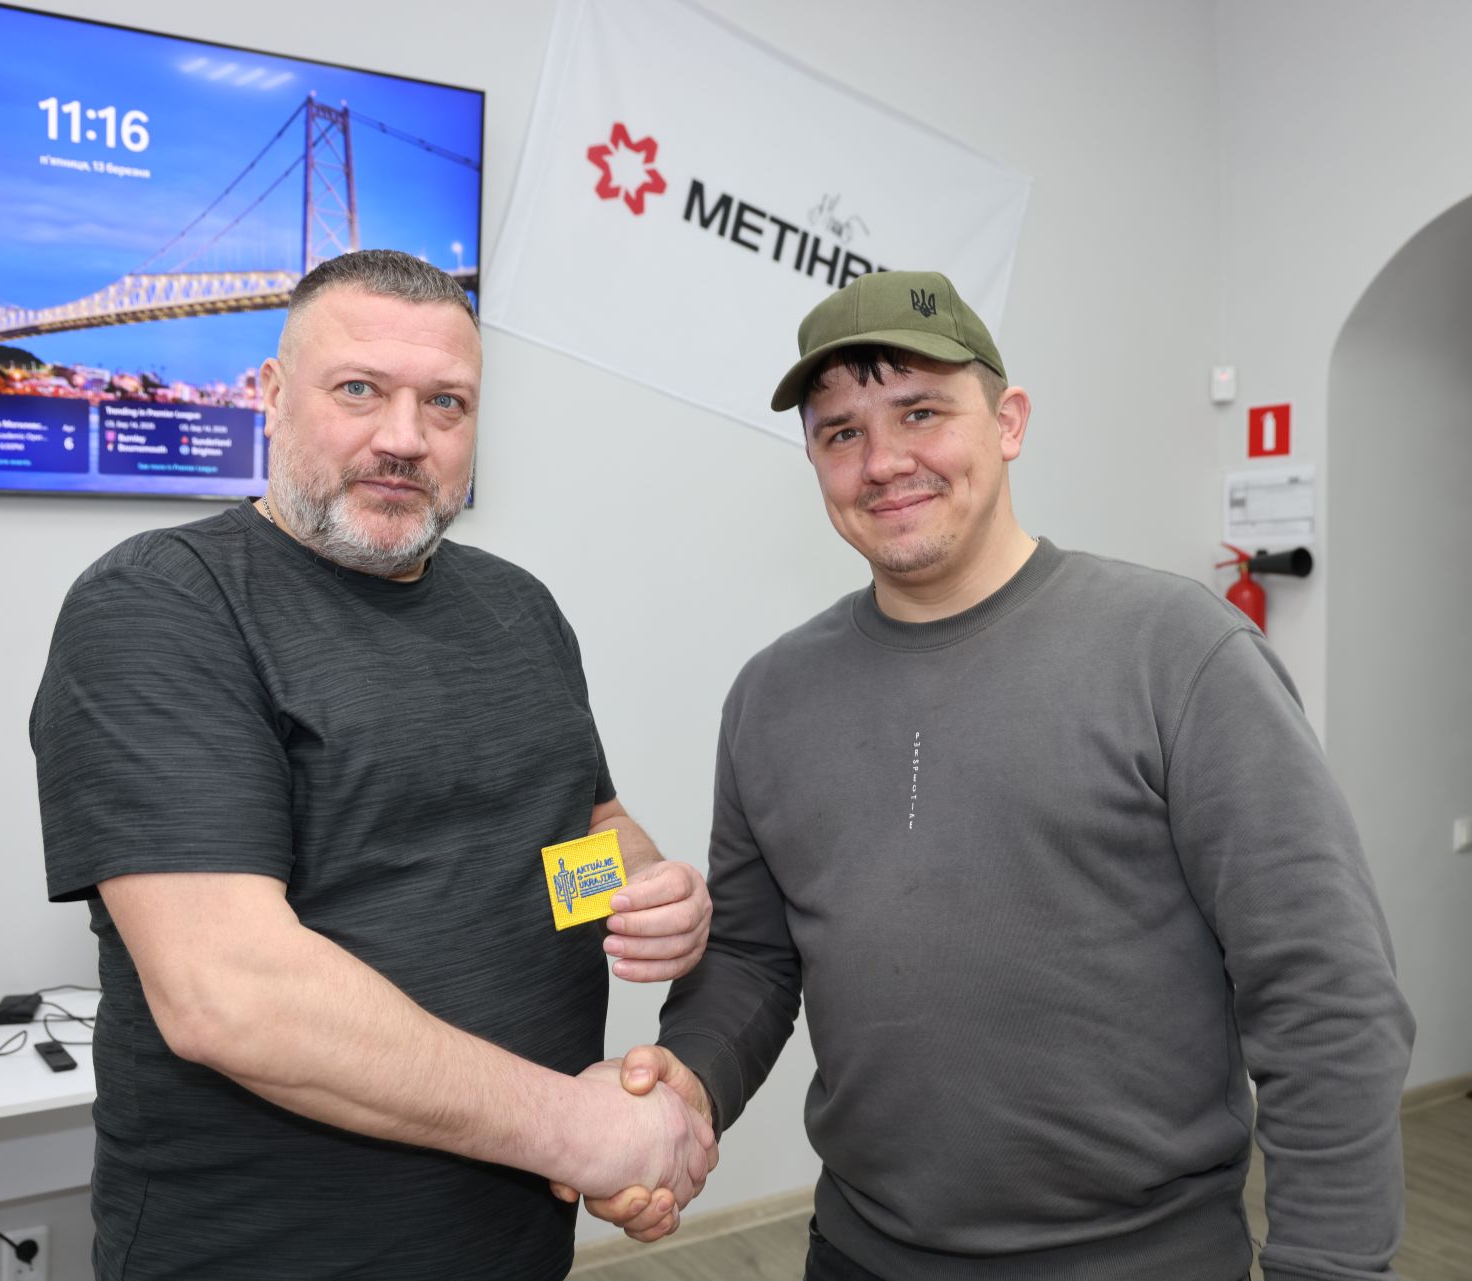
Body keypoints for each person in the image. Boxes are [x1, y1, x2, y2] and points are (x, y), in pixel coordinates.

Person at [577, 271, 1417, 1280]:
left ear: (1009, 421)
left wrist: (1329, 1265)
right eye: (841, 432)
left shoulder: (1178, 652)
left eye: (921, 412)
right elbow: (754, 956)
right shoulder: (771, 695)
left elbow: (1323, 989)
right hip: (859, 1255)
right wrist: (693, 1082)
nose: (884, 461)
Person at [31, 249, 715, 1281]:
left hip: (513, 1240)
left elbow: (562, 842)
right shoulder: (160, 606)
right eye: (359, 389)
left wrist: (641, 889)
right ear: (271, 394)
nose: (404, 437)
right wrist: (583, 1132)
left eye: (446, 402)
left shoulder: (519, 609)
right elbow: (231, 991)